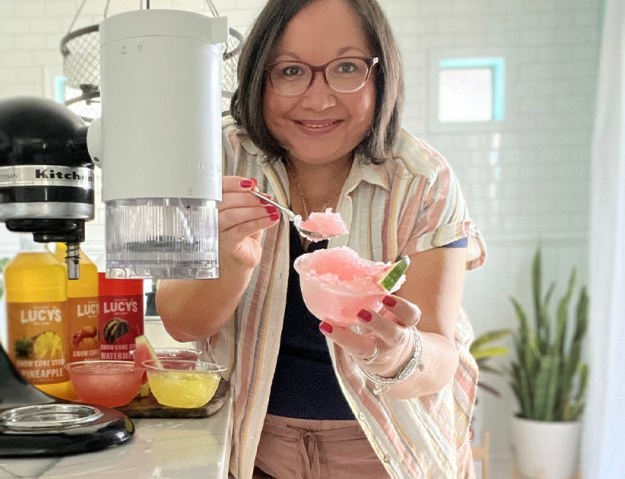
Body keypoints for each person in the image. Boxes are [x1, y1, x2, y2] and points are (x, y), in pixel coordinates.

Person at [156, 0, 487, 477]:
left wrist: (396, 350)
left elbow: (439, 359)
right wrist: (232, 264)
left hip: (387, 452)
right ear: (258, 79)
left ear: (381, 75)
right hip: (253, 448)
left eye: (347, 68)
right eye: (290, 71)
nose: (318, 100)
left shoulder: (422, 179)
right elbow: (182, 324)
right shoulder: (216, 161)